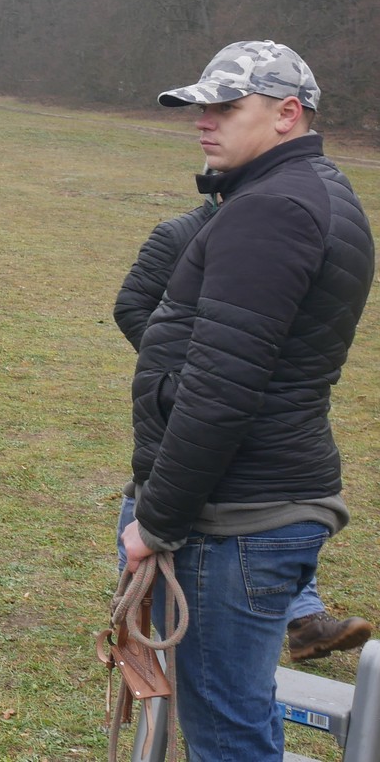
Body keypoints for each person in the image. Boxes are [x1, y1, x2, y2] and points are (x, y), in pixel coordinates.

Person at [121, 40, 374, 759]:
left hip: (231, 522)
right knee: (230, 719)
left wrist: (158, 520)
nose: (205, 122)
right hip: (249, 508)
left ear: (287, 114)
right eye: (201, 108)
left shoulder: (274, 210)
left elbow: (222, 389)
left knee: (226, 732)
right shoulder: (307, 192)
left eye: (226, 108)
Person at [116, 198, 373, 663]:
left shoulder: (289, 233)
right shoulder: (177, 234)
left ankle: (305, 620)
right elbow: (131, 305)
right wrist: (184, 369)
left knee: (261, 505)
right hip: (191, 407)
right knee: (169, 501)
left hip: (251, 409)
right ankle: (140, 619)